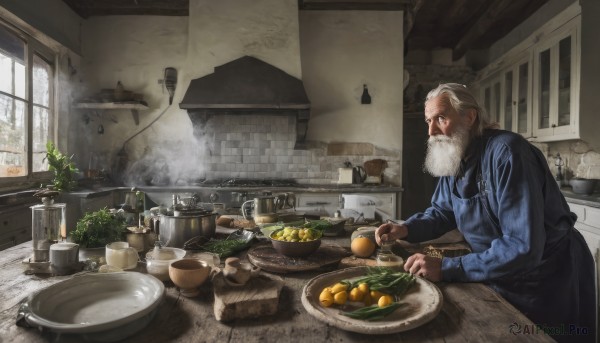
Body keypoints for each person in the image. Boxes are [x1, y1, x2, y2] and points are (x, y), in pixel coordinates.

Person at [376, 83, 596, 343]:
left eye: (441, 118)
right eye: (428, 121)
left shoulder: (507, 153)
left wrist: (448, 267)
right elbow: (443, 211)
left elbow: (522, 245)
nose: (431, 131)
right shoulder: (455, 153)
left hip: (549, 276)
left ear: (470, 117)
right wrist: (407, 228)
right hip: (498, 270)